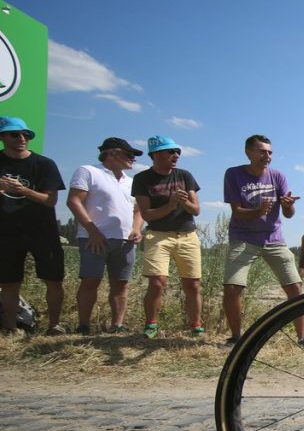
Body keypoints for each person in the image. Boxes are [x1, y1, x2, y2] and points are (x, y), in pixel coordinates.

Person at [0, 116, 66, 335]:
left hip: (43, 230)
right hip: (6, 230)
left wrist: (23, 190)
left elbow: (50, 200)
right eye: (15, 134)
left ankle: (54, 326)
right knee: (9, 281)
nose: (22, 138)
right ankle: (9, 328)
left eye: (26, 134)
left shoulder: (44, 164)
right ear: (1, 136)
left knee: (53, 279)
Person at [222, 134, 304, 348]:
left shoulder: (278, 177)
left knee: (295, 288)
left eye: (270, 152)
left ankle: (303, 338)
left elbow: (289, 214)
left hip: (274, 239)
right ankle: (237, 338)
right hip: (243, 238)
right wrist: (258, 210)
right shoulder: (234, 174)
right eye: (262, 151)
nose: (267, 156)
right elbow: (237, 211)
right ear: (249, 152)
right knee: (232, 288)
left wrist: (288, 204)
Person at [66, 137, 144, 334]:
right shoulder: (89, 171)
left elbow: (138, 210)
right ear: (113, 153)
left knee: (121, 283)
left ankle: (117, 325)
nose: (132, 159)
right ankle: (83, 325)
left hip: (125, 241)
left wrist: (136, 229)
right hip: (94, 239)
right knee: (91, 281)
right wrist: (92, 231)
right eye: (129, 154)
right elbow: (74, 201)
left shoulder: (132, 182)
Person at [132, 135, 202, 339]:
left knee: (193, 284)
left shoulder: (184, 175)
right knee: (157, 282)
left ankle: (196, 325)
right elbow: (147, 215)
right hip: (159, 235)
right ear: (155, 154)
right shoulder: (142, 179)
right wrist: (170, 205)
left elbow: (196, 209)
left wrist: (183, 203)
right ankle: (151, 324)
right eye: (170, 151)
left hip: (188, 235)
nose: (176, 155)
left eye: (177, 151)